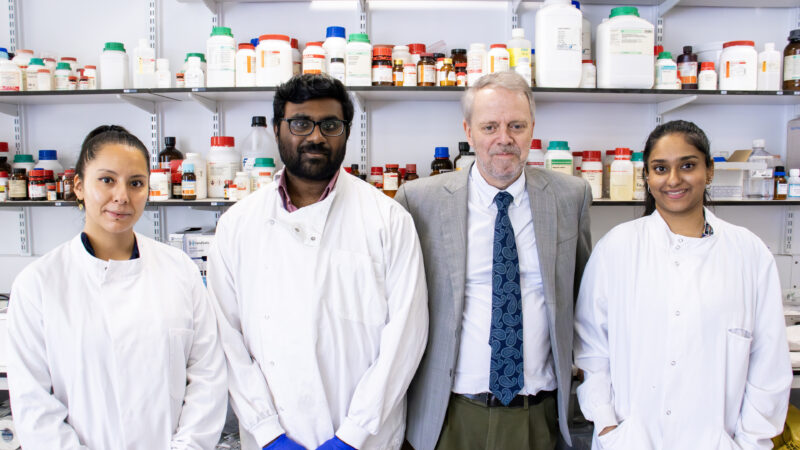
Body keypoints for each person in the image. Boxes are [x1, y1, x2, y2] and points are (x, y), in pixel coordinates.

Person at [207, 74, 428, 450]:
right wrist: (267, 432)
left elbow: (406, 336)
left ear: (345, 132)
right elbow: (226, 340)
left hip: (366, 438)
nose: (315, 136)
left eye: (330, 125)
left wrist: (354, 434)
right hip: (271, 437)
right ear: (277, 130)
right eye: (300, 123)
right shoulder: (236, 225)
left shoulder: (388, 220)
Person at [396, 71, 593, 450]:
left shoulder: (571, 196)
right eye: (490, 126)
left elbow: (583, 298)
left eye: (516, 125)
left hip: (539, 414)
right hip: (449, 416)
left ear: (532, 129)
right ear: (469, 132)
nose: (504, 138)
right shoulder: (419, 201)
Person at [574, 120, 791, 449]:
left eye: (687, 165)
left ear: (710, 170)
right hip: (631, 440)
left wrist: (751, 441)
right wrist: (606, 424)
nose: (673, 179)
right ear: (647, 177)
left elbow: (768, 365)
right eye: (660, 168)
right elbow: (590, 348)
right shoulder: (616, 248)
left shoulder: (749, 253)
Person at [7, 125, 227, 449]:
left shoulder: (180, 270)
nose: (122, 196)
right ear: (79, 186)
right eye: (107, 180)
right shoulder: (38, 284)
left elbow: (208, 378)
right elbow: (34, 406)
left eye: (136, 183)